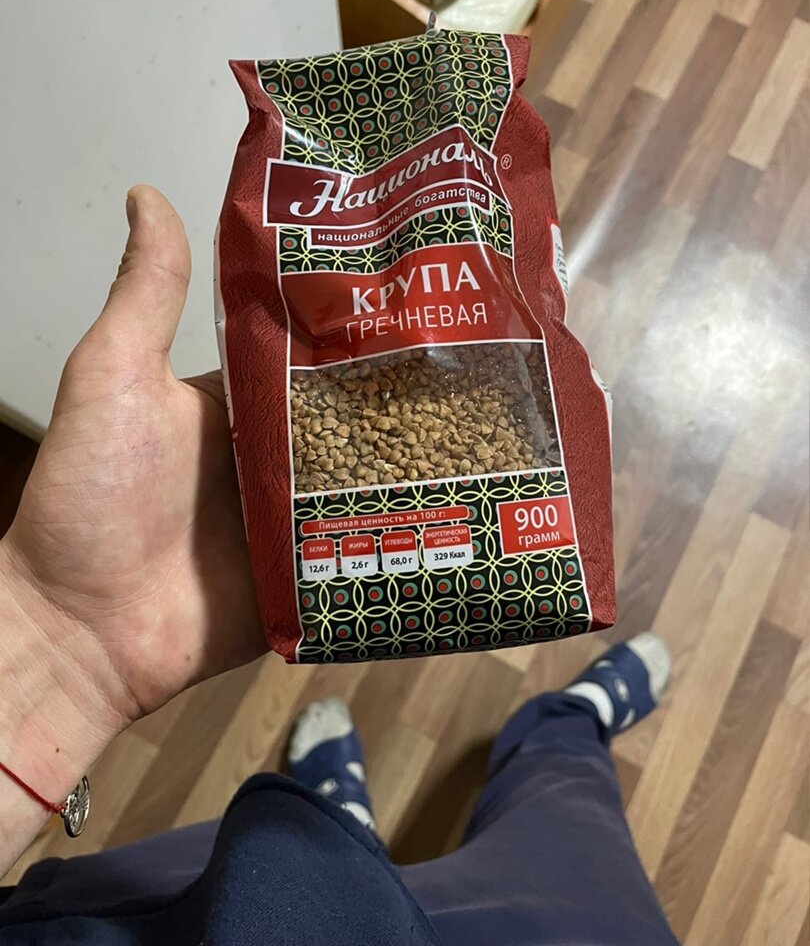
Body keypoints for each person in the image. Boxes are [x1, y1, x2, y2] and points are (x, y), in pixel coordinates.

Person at [0, 187, 679, 945]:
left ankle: (337, 815)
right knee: (576, 830)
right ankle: (567, 727)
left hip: (208, 906)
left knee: (292, 843)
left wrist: (56, 646)